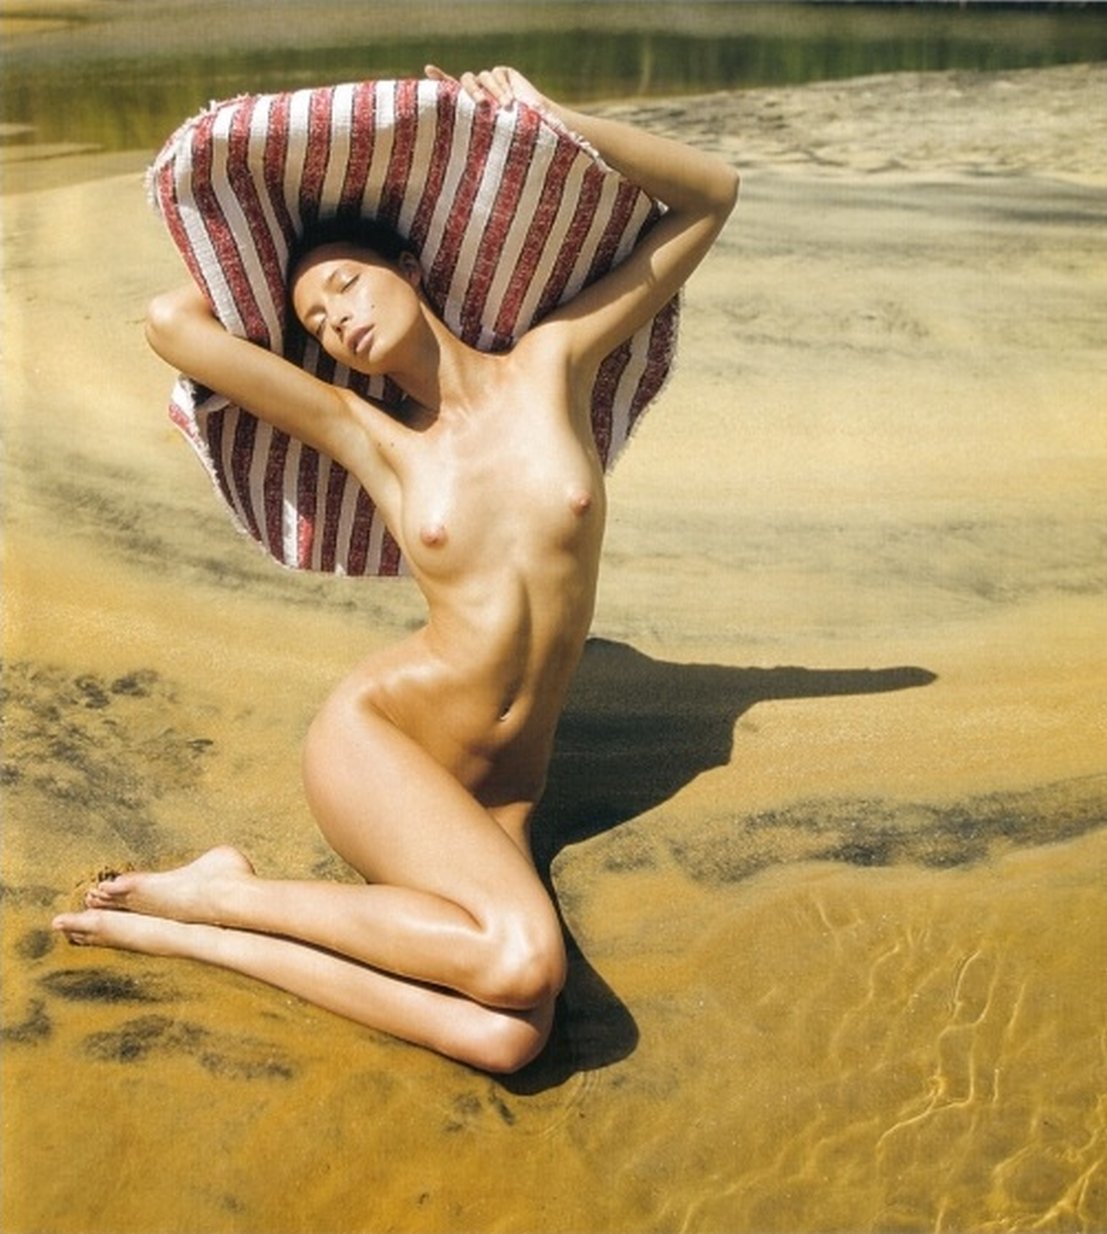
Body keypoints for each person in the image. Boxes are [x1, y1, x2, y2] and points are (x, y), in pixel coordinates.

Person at [52, 66, 739, 1073]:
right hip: (382, 743)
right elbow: (171, 323)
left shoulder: (552, 362)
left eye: (345, 286)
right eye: (316, 323)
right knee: (521, 959)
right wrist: (266, 247)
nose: (337, 321)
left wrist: (541, 115)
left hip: (501, 794)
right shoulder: (375, 440)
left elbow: (710, 195)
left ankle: (204, 922)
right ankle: (224, 897)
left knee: (510, 1033)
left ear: (411, 267)